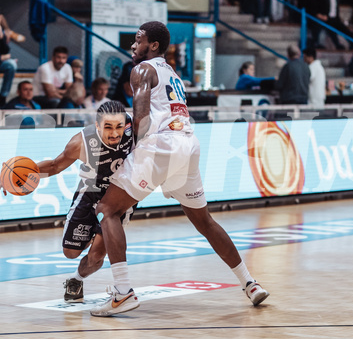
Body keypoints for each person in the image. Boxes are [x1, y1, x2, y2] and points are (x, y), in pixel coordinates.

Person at [90, 21, 269, 316]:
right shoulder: (172, 73)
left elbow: (141, 113)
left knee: (107, 209)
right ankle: (250, 283)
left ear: (154, 45)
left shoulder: (142, 69)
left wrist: (133, 151)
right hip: (188, 143)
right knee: (204, 222)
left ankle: (123, 293)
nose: (133, 46)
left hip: (162, 145)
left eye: (138, 40)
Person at [0, 101, 135, 303]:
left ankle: (77, 280)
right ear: (97, 126)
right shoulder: (82, 142)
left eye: (119, 127)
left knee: (96, 256)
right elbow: (55, 166)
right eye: (108, 127)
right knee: (70, 252)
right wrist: (13, 179)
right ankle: (82, 257)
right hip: (90, 191)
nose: (114, 133)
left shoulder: (137, 133)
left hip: (120, 195)